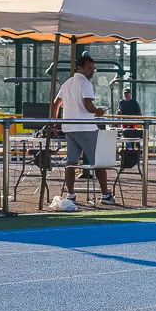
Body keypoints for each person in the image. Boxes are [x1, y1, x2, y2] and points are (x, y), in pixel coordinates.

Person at [50, 55, 115, 205]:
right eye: (89, 68)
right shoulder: (85, 83)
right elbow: (87, 105)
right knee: (98, 162)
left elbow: (56, 103)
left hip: (69, 128)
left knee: (71, 163)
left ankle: (71, 194)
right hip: (86, 127)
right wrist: (98, 111)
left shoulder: (67, 83)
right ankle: (105, 194)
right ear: (80, 68)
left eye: (93, 68)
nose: (92, 71)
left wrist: (54, 123)